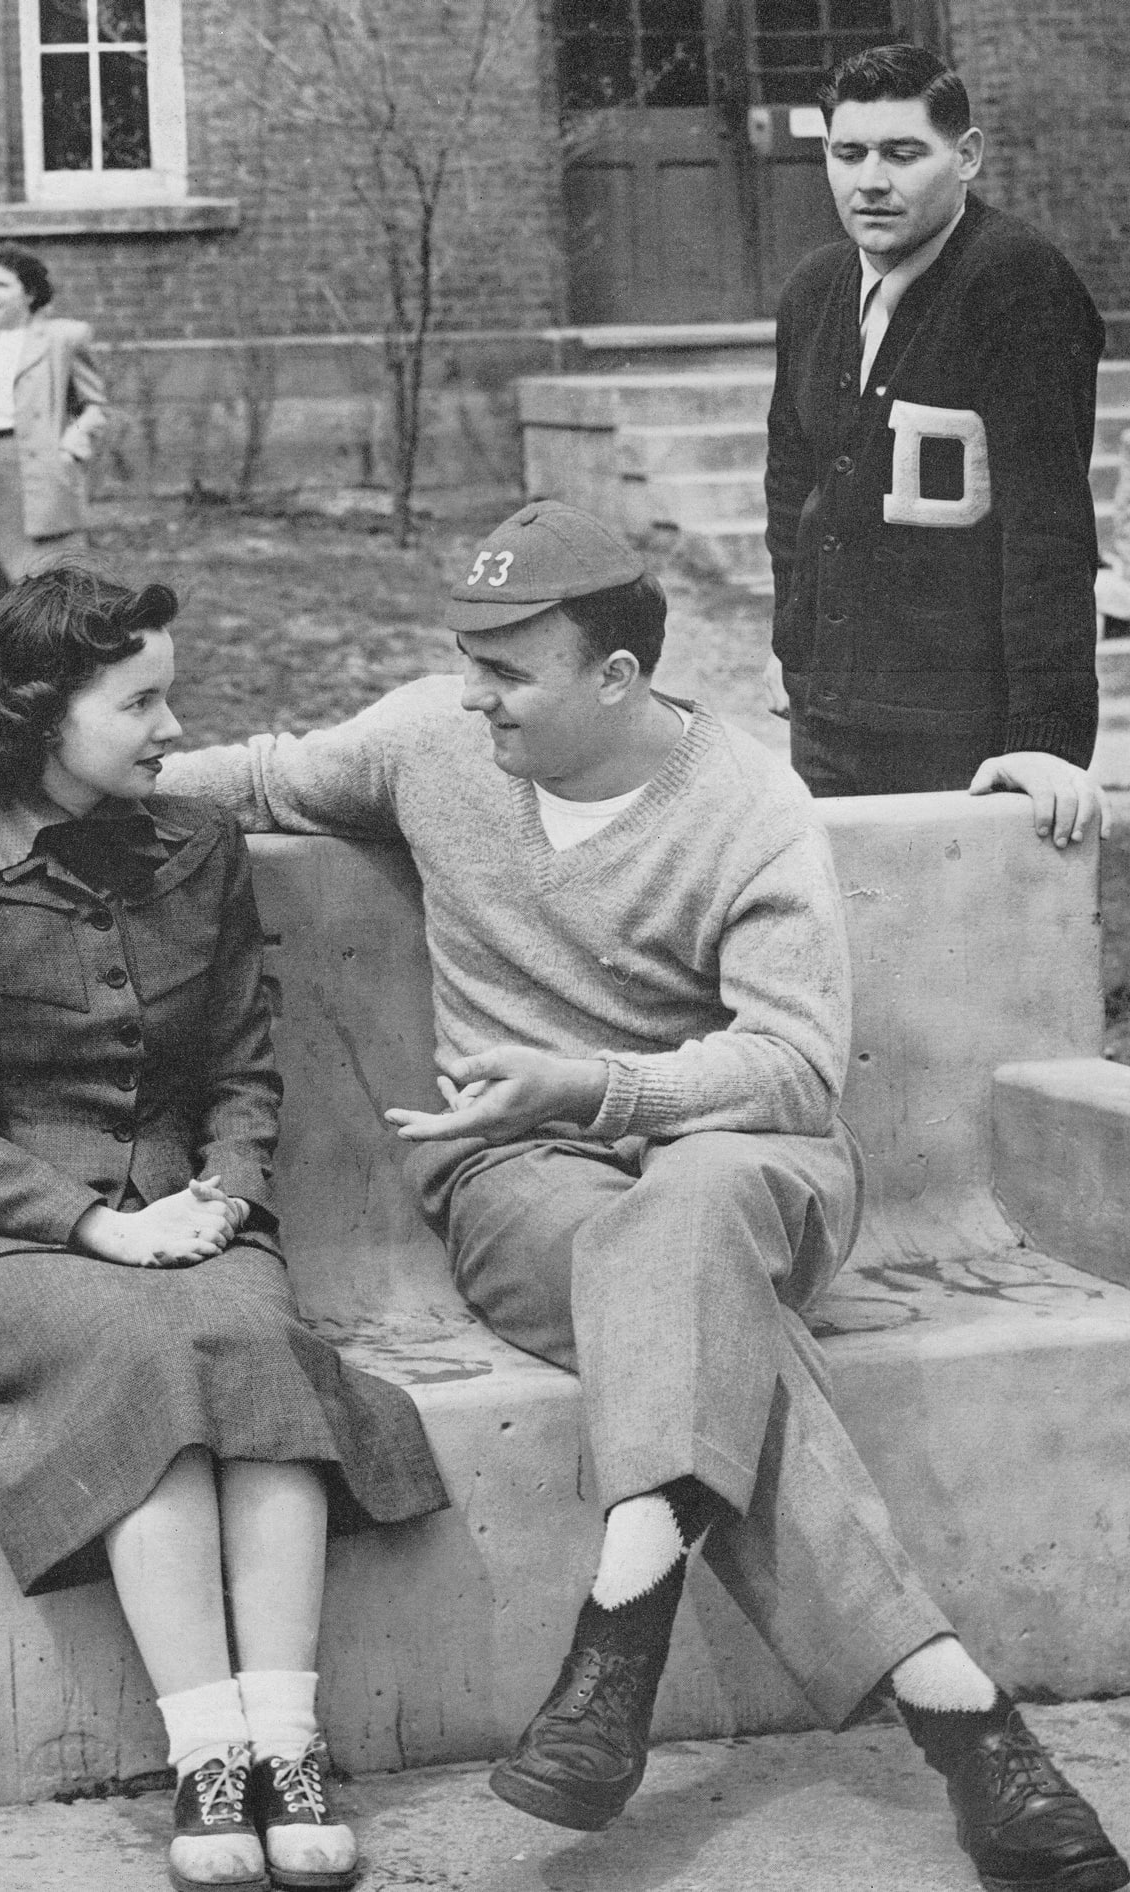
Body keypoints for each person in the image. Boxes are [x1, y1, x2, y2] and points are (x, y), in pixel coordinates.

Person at [163, 500, 1129, 1892]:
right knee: (691, 1303)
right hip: (520, 1180)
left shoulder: (747, 805)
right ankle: (964, 1723)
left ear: (616, 678)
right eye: (466, 660)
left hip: (749, 1164)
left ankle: (624, 1630)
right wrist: (57, 773)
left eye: (509, 668)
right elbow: (252, 777)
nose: (472, 693)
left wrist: (593, 1086)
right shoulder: (433, 740)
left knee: (689, 1212)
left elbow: (793, 1067)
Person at [0, 565, 449, 1892]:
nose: (173, 727)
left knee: (247, 1335)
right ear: (38, 714)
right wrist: (98, 1230)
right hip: (7, 1248)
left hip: (195, 1218)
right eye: (140, 703)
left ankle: (287, 1748)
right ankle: (205, 1761)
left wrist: (225, 1200)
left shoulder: (198, 849)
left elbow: (245, 1069)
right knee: (143, 1354)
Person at [765, 43, 1109, 851]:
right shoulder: (815, 291)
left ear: (966, 157)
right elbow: (793, 490)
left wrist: (1044, 740)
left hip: (962, 730)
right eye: (849, 153)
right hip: (832, 715)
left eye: (903, 153)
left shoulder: (1018, 284)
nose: (871, 180)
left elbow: (1050, 532)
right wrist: (793, 647)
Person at [0, 246, 109, 599]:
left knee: (56, 592)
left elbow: (95, 407)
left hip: (42, 476)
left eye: (3, 286)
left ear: (30, 293)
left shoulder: (63, 339)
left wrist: (71, 448)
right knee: (0, 593)